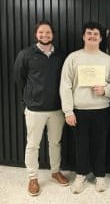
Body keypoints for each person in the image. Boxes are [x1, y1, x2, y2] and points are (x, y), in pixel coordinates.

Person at [60, 21, 110, 194]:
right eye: (89, 33)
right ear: (83, 36)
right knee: (81, 145)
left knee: (101, 144)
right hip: (79, 110)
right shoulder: (73, 57)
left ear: (101, 38)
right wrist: (68, 111)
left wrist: (105, 90)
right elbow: (65, 85)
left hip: (102, 110)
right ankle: (81, 174)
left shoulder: (107, 60)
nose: (92, 36)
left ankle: (100, 176)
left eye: (96, 34)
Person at [13, 20, 69, 196]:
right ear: (36, 34)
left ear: (53, 35)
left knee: (55, 143)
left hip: (56, 109)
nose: (45, 35)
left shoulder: (61, 55)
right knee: (33, 145)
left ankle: (55, 172)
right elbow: (19, 79)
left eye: (48, 33)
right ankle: (33, 178)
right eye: (41, 33)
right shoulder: (26, 54)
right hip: (34, 109)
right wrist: (27, 102)